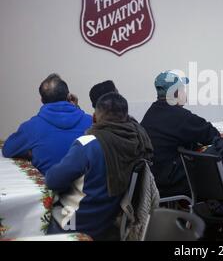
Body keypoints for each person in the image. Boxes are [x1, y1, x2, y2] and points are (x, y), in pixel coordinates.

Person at [45, 92, 154, 240]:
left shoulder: (87, 145)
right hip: (108, 220)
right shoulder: (135, 140)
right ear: (126, 116)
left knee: (36, 219)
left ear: (95, 116)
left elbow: (52, 180)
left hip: (77, 223)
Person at [140, 71, 220, 198]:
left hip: (152, 178)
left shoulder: (152, 111)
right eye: (182, 89)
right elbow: (212, 134)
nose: (185, 93)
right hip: (168, 182)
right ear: (175, 93)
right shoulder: (180, 116)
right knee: (214, 168)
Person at [2, 74, 92, 174]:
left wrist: (30, 153)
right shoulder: (91, 122)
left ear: (42, 100)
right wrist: (76, 108)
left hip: (51, 185)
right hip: (84, 187)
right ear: (69, 96)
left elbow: (7, 150)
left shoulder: (32, 127)